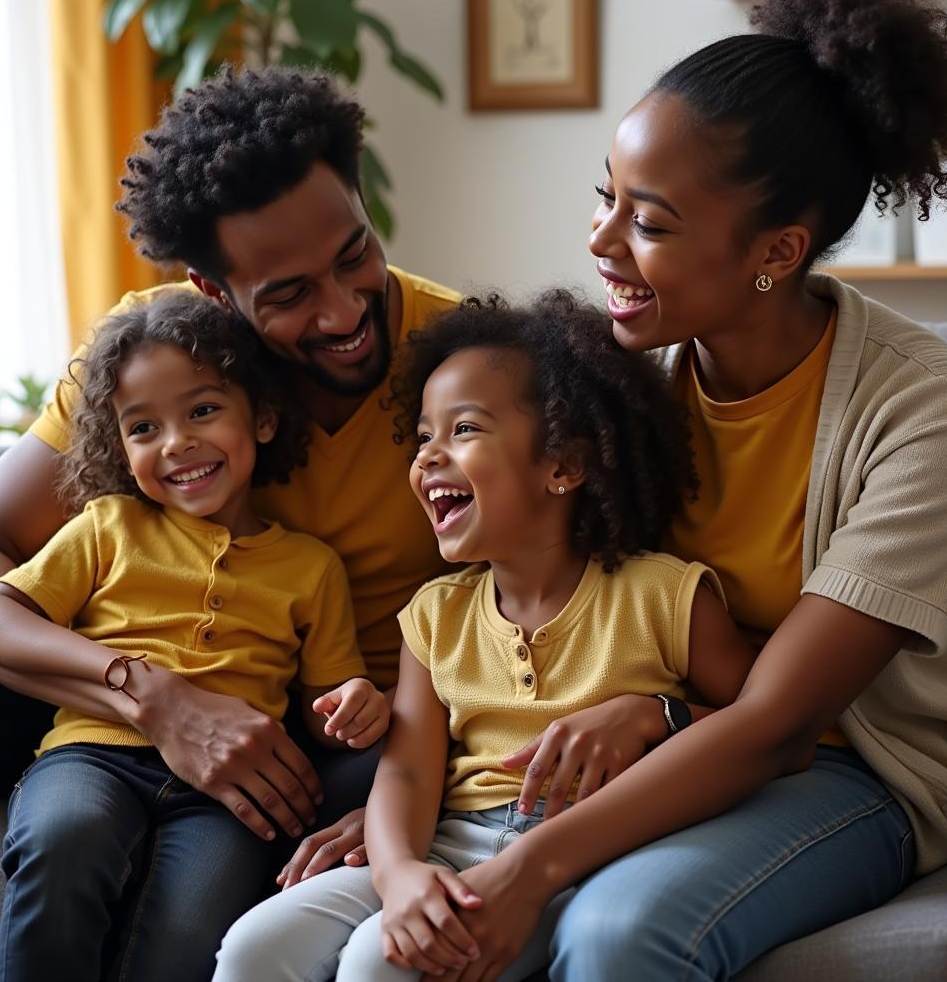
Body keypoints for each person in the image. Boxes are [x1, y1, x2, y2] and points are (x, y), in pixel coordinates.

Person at [363, 0, 947, 980]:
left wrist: (535, 859)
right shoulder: (617, 388)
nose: (599, 242)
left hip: (852, 771)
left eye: (649, 224)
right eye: (606, 200)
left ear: (775, 252)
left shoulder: (927, 407)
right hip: (654, 749)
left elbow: (783, 719)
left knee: (613, 933)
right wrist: (408, 839)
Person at [212, 290, 761, 982]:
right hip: (449, 842)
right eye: (422, 437)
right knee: (251, 950)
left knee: (377, 966)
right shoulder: (435, 615)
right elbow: (408, 771)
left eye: (463, 430)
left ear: (562, 465)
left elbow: (765, 732)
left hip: (583, 858)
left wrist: (659, 718)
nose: (428, 458)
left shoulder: (666, 595)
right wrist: (401, 875)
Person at [0, 66, 458, 863]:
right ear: (212, 291)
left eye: (355, 255)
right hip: (129, 713)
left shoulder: (465, 355)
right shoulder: (152, 353)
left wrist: (405, 793)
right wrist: (158, 701)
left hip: (345, 734)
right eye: (289, 293)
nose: (343, 311)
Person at [0, 293, 390, 982]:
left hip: (227, 798)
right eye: (144, 427)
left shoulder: (312, 567)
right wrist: (129, 679)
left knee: (195, 923)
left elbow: (327, 708)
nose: (176, 442)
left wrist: (356, 705)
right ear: (119, 445)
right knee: (64, 836)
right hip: (90, 755)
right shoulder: (107, 527)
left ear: (261, 418)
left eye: (202, 411)